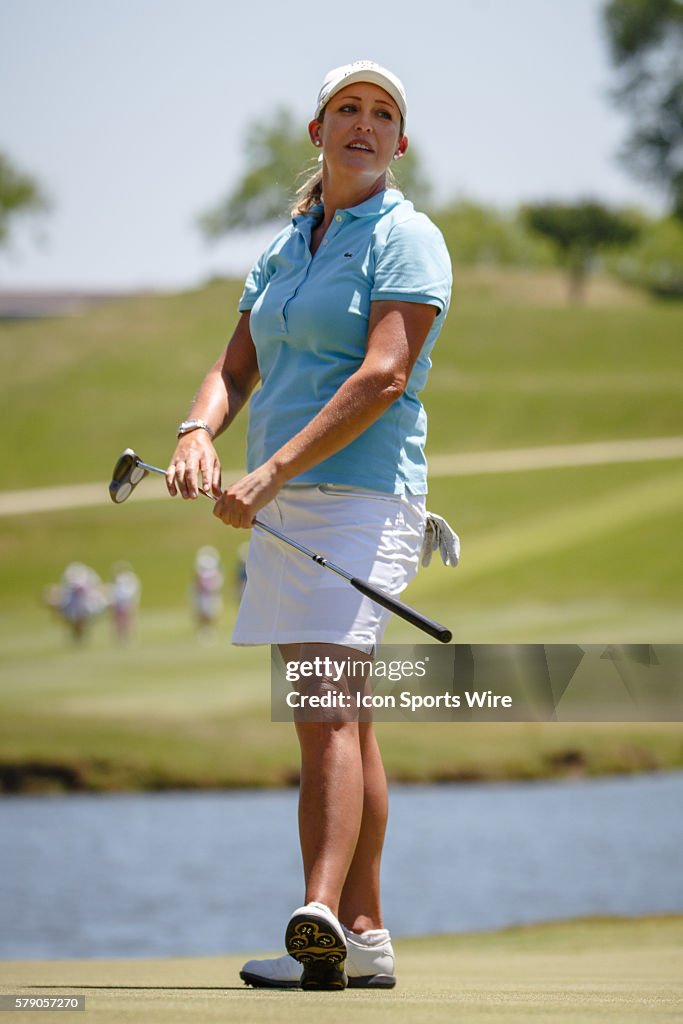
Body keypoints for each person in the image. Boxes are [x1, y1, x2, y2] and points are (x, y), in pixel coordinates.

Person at [166, 59, 452, 991]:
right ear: (317, 130)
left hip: (363, 499)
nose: (363, 124)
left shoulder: (406, 238)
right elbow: (236, 366)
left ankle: (317, 916)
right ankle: (362, 933)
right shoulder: (288, 245)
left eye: (380, 114)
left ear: (398, 142)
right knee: (347, 719)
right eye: (346, 109)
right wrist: (197, 431)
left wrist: (268, 469)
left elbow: (381, 377)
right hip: (287, 507)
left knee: (324, 706)